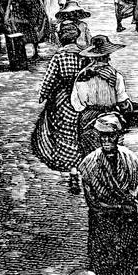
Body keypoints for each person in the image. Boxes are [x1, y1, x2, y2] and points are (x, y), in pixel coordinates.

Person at [72, 113, 138, 275]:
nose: (107, 140)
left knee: (128, 270)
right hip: (103, 225)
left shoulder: (130, 159)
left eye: (111, 136)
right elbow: (92, 202)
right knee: (104, 271)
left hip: (127, 224)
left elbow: (137, 187)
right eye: (103, 136)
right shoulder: (88, 164)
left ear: (118, 136)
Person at [30, 23, 88, 173]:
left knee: (63, 129)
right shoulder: (84, 55)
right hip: (81, 98)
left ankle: (67, 162)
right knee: (78, 128)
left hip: (62, 99)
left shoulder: (59, 57)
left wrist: (43, 95)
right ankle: (80, 160)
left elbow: (49, 80)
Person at [71, 35, 131, 158]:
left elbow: (76, 104)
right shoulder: (116, 76)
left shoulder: (82, 76)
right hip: (110, 118)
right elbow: (123, 103)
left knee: (90, 157)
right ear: (107, 56)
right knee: (113, 155)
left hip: (87, 119)